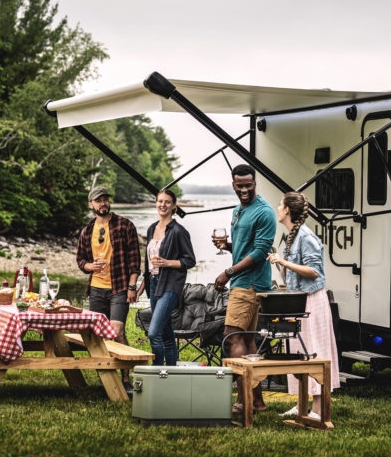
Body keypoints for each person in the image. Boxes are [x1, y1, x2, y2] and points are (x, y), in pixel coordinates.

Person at [267, 192, 340, 419]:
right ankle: (301, 405)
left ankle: (317, 410)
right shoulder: (293, 235)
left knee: (314, 353)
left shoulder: (306, 236)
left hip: (313, 301)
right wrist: (281, 268)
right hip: (300, 300)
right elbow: (295, 273)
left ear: (288, 210)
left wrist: (284, 261)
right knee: (299, 353)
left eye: (280, 205)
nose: (278, 208)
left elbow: (314, 270)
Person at [212, 164, 277, 414]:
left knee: (232, 337)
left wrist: (228, 272)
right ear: (233, 185)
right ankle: (257, 401)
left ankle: (242, 400)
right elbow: (245, 247)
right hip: (243, 281)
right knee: (248, 341)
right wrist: (228, 246)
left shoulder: (264, 212)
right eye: (239, 186)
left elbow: (261, 252)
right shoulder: (240, 209)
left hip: (250, 284)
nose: (244, 190)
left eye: (248, 185)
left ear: (255, 183)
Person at [76, 186, 141, 384]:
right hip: (96, 288)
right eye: (98, 200)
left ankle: (126, 378)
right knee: (100, 335)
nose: (102, 203)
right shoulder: (87, 230)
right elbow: (80, 260)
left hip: (119, 287)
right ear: (91, 204)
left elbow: (134, 259)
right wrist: (90, 266)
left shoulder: (124, 225)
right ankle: (108, 378)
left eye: (105, 199)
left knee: (117, 331)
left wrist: (132, 287)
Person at [142, 189, 196, 365]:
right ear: (156, 203)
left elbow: (190, 260)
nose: (162, 205)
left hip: (171, 286)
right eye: (159, 201)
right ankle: (172, 372)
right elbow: (148, 263)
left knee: (153, 333)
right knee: (166, 333)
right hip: (153, 284)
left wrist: (168, 263)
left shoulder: (179, 231)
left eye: (167, 202)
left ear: (173, 206)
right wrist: (141, 286)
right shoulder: (151, 228)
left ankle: (157, 371)